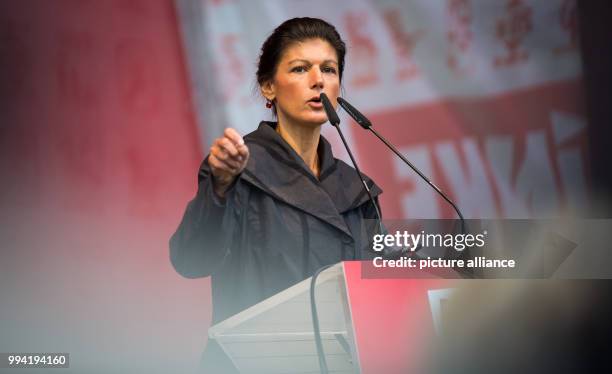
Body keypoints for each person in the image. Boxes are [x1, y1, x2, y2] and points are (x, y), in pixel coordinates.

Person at [170, 17, 385, 372]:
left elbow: (379, 289)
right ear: (268, 87)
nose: (318, 80)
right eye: (301, 69)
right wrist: (219, 188)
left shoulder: (356, 188)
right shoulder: (239, 166)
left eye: (329, 70)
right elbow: (190, 260)